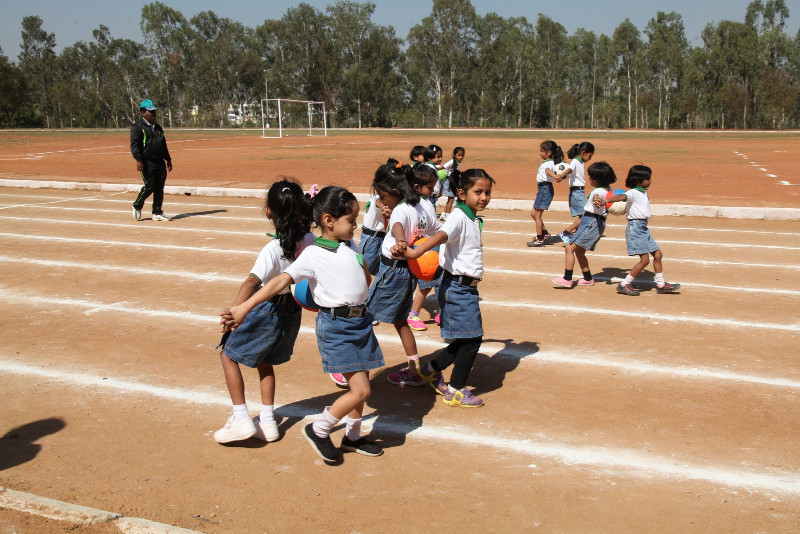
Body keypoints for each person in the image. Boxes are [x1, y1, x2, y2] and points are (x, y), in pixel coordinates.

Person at [226, 186, 384, 464]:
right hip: (338, 326)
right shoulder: (312, 253)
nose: (355, 225)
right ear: (328, 220)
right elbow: (279, 281)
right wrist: (243, 307)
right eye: (351, 220)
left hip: (360, 321)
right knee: (361, 390)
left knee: (361, 382)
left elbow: (365, 277)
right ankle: (319, 429)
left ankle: (352, 436)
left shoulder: (350, 245)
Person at [214, 180, 315, 444]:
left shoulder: (273, 248)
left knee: (227, 355)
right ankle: (268, 421)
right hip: (291, 310)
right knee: (265, 361)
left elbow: (251, 282)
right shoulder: (309, 240)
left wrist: (236, 312)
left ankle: (241, 418)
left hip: (267, 309)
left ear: (269, 211)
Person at [391, 168, 495, 408]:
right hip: (458, 287)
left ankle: (430, 369)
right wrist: (414, 253)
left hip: (465, 287)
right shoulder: (459, 216)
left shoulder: (470, 216)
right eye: (478, 192)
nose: (484, 197)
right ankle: (455, 390)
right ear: (462, 193)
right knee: (472, 340)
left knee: (466, 338)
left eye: (487, 192)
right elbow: (441, 236)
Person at [366, 160, 439, 386]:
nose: (381, 201)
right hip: (409, 272)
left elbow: (398, 225)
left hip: (391, 271)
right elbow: (435, 230)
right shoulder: (425, 204)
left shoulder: (400, 208)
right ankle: (414, 369)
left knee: (363, 318)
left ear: (395, 192)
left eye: (383, 196)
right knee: (400, 320)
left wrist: (400, 241)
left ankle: (356, 371)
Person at [602, 165, 681, 296]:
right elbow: (621, 197)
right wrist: (606, 200)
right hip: (636, 228)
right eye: (648, 179)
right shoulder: (633, 192)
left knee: (658, 255)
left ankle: (661, 284)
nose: (650, 181)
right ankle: (624, 284)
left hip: (643, 227)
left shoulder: (643, 193)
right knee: (645, 260)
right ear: (639, 181)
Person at [551, 161, 617, 288]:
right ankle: (587, 278)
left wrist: (596, 199)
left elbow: (596, 196)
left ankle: (567, 278)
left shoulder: (598, 191)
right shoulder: (609, 191)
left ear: (597, 179)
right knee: (580, 252)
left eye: (591, 177)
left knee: (569, 248)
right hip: (594, 222)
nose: (589, 179)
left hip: (591, 222)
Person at [407, 164, 443, 332]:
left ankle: (442, 311)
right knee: (425, 286)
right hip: (424, 252)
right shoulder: (414, 204)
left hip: (433, 247)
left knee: (441, 282)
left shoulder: (426, 202)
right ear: (417, 187)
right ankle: (413, 314)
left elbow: (435, 225)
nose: (433, 190)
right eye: (430, 187)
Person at [130, 99, 173, 221]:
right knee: (150, 185)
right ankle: (137, 204)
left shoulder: (158, 127)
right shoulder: (137, 127)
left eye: (154, 111)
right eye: (151, 111)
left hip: (159, 161)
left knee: (159, 187)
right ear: (143, 112)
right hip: (146, 162)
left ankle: (157, 211)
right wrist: (139, 160)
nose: (154, 114)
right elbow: (135, 145)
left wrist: (168, 158)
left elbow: (163, 144)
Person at [557, 142, 595, 244]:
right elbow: (569, 169)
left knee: (581, 215)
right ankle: (566, 233)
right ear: (583, 153)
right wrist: (560, 177)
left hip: (579, 191)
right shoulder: (575, 161)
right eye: (589, 156)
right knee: (586, 215)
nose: (590, 159)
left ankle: (577, 236)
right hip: (577, 192)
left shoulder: (580, 162)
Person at [527, 140, 563, 247]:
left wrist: (555, 176)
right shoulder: (549, 162)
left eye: (542, 151)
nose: (540, 153)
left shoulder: (548, 163)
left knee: (538, 215)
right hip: (543, 189)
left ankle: (540, 239)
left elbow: (547, 171)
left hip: (545, 189)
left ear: (549, 152)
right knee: (533, 213)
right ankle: (545, 234)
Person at [440, 146, 465, 221]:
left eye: (462, 155)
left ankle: (443, 214)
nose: (461, 157)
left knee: (450, 199)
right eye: (459, 155)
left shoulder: (457, 163)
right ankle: (448, 215)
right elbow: (443, 167)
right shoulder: (451, 162)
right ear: (454, 155)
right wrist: (434, 168)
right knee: (451, 199)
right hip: (450, 181)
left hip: (453, 181)